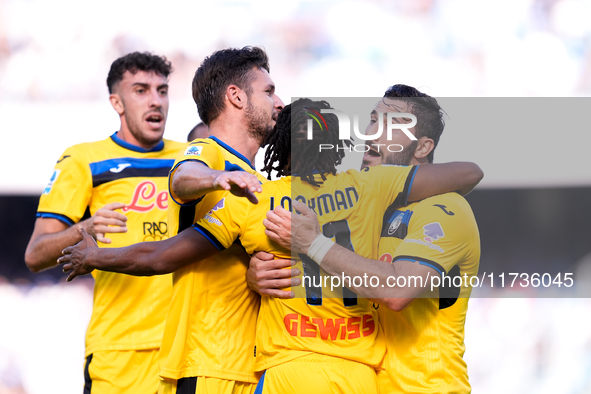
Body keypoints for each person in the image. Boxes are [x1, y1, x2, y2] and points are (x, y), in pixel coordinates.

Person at [59, 98, 482, 393]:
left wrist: (95, 255)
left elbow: (162, 255)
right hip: (361, 375)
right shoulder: (371, 189)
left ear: (278, 145)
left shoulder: (252, 199)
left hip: (290, 371)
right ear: (336, 147)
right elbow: (468, 172)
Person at [263, 85, 480, 394]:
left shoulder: (444, 209)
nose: (371, 134)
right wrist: (260, 273)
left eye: (390, 124)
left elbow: (396, 291)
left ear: (422, 147)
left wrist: (312, 243)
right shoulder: (363, 206)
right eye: (372, 120)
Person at [24, 52, 184, 393]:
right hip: (119, 353)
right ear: (117, 102)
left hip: (187, 352)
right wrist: (86, 228)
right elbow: (35, 255)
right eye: (141, 90)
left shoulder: (190, 160)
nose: (155, 100)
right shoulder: (84, 159)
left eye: (162, 90)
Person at [163, 46, 284, 394]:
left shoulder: (251, 176)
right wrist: (215, 178)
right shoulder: (211, 152)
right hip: (208, 364)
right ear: (236, 96)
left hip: (246, 365)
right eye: (269, 91)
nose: (279, 103)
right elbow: (183, 178)